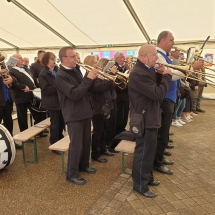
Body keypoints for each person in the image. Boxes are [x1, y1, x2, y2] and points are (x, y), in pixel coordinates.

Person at [154, 31, 203, 175]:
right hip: (165, 98)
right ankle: (157, 162)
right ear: (163, 41)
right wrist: (192, 68)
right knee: (162, 133)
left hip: (170, 97)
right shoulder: (158, 55)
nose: (174, 43)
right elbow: (172, 75)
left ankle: (160, 157)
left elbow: (174, 70)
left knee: (164, 132)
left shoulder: (164, 55)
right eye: (171, 40)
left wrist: (175, 61)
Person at [128, 44, 172, 198]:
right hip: (145, 118)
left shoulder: (146, 71)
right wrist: (167, 77)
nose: (156, 59)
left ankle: (147, 177)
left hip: (150, 117)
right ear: (145, 56)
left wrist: (160, 75)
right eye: (154, 55)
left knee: (149, 151)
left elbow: (152, 88)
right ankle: (140, 185)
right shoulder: (139, 73)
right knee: (144, 152)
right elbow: (158, 93)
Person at [55, 47, 97, 185]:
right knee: (76, 145)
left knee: (86, 142)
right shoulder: (61, 75)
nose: (76, 59)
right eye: (73, 57)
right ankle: (71, 174)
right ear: (64, 59)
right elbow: (74, 94)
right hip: (73, 114)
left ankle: (83, 165)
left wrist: (89, 77)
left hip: (84, 111)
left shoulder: (76, 70)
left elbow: (83, 88)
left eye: (76, 56)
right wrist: (88, 80)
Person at [84, 56, 116, 163]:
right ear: (89, 63)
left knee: (103, 130)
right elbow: (99, 88)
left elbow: (106, 87)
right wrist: (110, 76)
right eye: (95, 62)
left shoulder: (97, 74)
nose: (97, 64)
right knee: (98, 132)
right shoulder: (90, 75)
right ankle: (95, 154)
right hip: (96, 107)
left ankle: (103, 149)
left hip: (103, 106)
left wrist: (111, 79)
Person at [9, 54, 45, 134]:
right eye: (20, 58)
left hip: (30, 95)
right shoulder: (12, 71)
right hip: (21, 96)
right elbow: (14, 83)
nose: (22, 60)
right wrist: (23, 86)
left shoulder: (23, 69)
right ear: (14, 60)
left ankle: (38, 131)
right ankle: (24, 133)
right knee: (22, 118)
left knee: (37, 113)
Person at [39, 52, 65, 153]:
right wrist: (59, 85)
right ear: (46, 61)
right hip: (52, 103)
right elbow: (46, 90)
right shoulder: (43, 73)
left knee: (62, 123)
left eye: (54, 59)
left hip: (60, 101)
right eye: (52, 59)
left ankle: (60, 139)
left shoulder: (57, 70)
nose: (54, 61)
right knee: (55, 124)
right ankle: (54, 144)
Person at [108, 52, 130, 153]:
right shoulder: (114, 67)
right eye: (121, 57)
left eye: (123, 57)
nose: (123, 59)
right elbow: (116, 84)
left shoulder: (124, 68)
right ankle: (114, 142)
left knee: (124, 120)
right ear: (116, 58)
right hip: (119, 98)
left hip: (125, 98)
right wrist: (127, 85)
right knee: (118, 121)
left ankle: (120, 137)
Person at [0, 69, 21, 149]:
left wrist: (11, 79)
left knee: (9, 123)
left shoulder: (4, 70)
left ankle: (11, 143)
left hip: (8, 101)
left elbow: (15, 80)